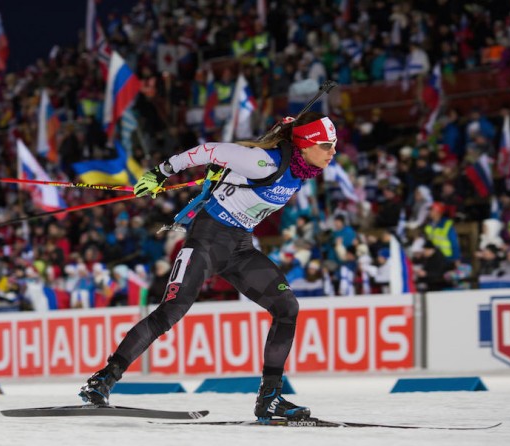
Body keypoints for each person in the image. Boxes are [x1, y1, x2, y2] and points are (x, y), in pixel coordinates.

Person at [79, 111, 338, 421]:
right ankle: (102, 381)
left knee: (286, 307)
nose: (332, 152)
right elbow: (208, 150)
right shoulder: (263, 161)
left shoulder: (300, 167)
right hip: (206, 241)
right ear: (306, 145)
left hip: (239, 248)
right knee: (170, 311)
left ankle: (270, 398)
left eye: (333, 145)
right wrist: (162, 171)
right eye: (326, 145)